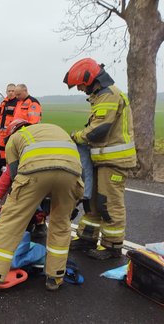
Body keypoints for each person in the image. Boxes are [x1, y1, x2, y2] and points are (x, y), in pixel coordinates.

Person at [0, 120, 83, 296]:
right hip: (71, 174)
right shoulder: (54, 129)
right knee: (61, 225)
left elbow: (15, 176)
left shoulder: (15, 138)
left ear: (12, 131)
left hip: (34, 173)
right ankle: (56, 276)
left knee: (10, 224)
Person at [64, 58, 136, 260]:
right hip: (101, 159)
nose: (79, 88)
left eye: (80, 84)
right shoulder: (100, 96)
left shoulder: (109, 95)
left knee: (108, 202)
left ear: (90, 79)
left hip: (114, 161)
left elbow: (99, 130)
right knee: (92, 202)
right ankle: (87, 237)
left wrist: (77, 136)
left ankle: (112, 245)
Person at [0, 83, 18, 160]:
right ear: (6, 92)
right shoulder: (3, 103)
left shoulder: (18, 103)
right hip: (2, 132)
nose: (11, 92)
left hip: (12, 132)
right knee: (2, 150)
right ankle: (4, 167)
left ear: (16, 91)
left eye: (13, 91)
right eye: (9, 91)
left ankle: (11, 169)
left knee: (12, 151)